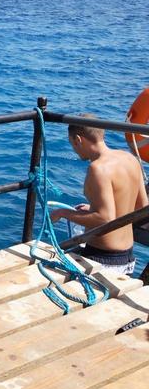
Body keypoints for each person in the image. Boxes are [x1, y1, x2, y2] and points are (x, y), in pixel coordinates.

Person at [50, 115, 148, 275]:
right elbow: (141, 208)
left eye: (71, 143)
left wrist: (63, 213)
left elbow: (104, 219)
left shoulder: (98, 169)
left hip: (101, 259)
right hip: (127, 258)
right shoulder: (130, 159)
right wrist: (93, 208)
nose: (73, 148)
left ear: (78, 140)